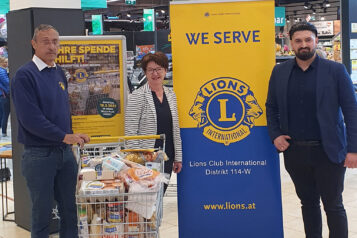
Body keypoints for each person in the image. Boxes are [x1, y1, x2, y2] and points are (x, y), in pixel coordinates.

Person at [266, 22, 357, 238]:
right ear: (291, 43)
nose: (303, 44)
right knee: (308, 204)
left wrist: (353, 149)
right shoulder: (280, 71)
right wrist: (275, 134)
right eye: (298, 41)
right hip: (296, 153)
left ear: (316, 41)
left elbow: (351, 111)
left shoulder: (335, 70)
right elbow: (271, 106)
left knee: (333, 205)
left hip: (329, 152)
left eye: (308, 40)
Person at [12, 24, 90, 238]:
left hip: (64, 153)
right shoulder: (24, 76)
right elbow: (30, 120)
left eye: (55, 41)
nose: (51, 46)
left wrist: (73, 136)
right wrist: (65, 136)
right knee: (42, 213)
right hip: (39, 155)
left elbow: (62, 112)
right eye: (45, 41)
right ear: (34, 44)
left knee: (71, 210)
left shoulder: (58, 72)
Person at [125, 52, 182, 192]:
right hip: (146, 159)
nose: (155, 73)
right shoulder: (137, 96)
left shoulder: (171, 94)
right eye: (150, 70)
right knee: (145, 201)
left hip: (166, 156)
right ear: (145, 72)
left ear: (165, 71)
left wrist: (178, 157)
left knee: (159, 199)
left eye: (159, 69)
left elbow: (175, 128)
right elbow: (130, 131)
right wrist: (137, 162)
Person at [0, 56, 10, 137]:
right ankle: (3, 132)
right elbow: (7, 83)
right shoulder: (2, 72)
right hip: (5, 95)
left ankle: (3, 131)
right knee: (5, 114)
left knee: (3, 113)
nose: (7, 64)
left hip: (2, 95)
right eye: (5, 62)